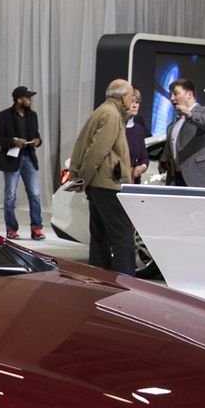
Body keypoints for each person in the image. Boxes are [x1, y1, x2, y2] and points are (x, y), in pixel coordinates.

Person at [70, 79, 136, 271]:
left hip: (99, 185)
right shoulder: (111, 115)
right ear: (124, 96)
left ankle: (99, 280)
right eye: (131, 95)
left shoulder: (104, 111)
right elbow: (96, 152)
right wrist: (82, 180)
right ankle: (127, 283)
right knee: (122, 237)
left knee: (100, 238)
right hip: (107, 186)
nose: (132, 100)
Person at [0, 86, 44, 239]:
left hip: (29, 158)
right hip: (12, 159)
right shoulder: (3, 116)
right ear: (19, 99)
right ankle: (11, 228)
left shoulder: (32, 116)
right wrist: (13, 141)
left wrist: (37, 141)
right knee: (10, 195)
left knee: (35, 194)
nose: (31, 100)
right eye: (28, 98)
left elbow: (37, 136)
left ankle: (36, 228)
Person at [165, 79, 205, 187]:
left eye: (176, 94)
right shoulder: (175, 122)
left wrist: (190, 114)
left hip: (201, 178)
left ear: (189, 94)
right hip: (177, 179)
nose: (172, 98)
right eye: (170, 95)